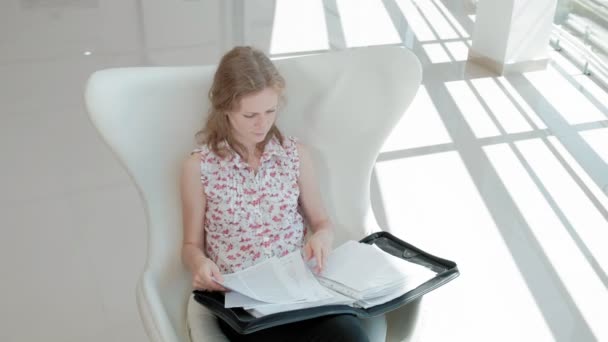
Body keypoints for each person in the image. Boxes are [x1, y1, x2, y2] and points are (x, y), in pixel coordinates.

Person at [180, 46, 371, 342]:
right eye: (250, 114)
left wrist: (321, 237)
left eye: (270, 111)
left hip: (301, 291)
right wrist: (200, 264)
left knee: (353, 337)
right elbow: (191, 245)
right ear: (225, 108)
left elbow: (322, 222)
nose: (263, 124)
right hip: (244, 302)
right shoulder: (199, 167)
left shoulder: (295, 155)